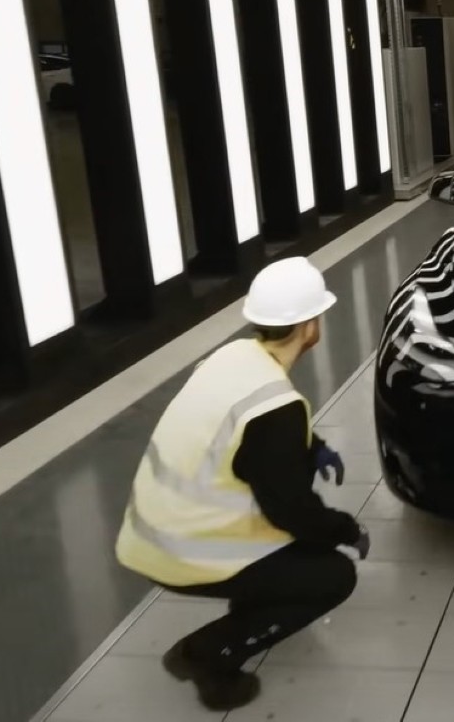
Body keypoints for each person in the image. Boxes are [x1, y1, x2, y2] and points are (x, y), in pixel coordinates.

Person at [115, 256, 369, 711]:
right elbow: (292, 512)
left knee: (301, 546)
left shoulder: (231, 357)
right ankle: (208, 655)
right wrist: (348, 529)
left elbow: (249, 436)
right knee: (333, 575)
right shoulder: (277, 408)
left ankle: (253, 601)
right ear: (310, 326)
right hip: (184, 553)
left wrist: (311, 448)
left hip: (148, 535)